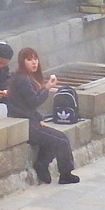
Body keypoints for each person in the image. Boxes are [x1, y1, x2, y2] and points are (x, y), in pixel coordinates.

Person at [7, 47, 80, 184]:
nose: (34, 63)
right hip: (25, 125)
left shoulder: (28, 78)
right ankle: (65, 174)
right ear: (22, 62)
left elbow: (27, 106)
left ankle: (42, 164)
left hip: (32, 121)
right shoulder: (22, 79)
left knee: (61, 136)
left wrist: (39, 119)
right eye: (29, 60)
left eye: (35, 59)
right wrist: (47, 88)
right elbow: (33, 101)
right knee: (60, 141)